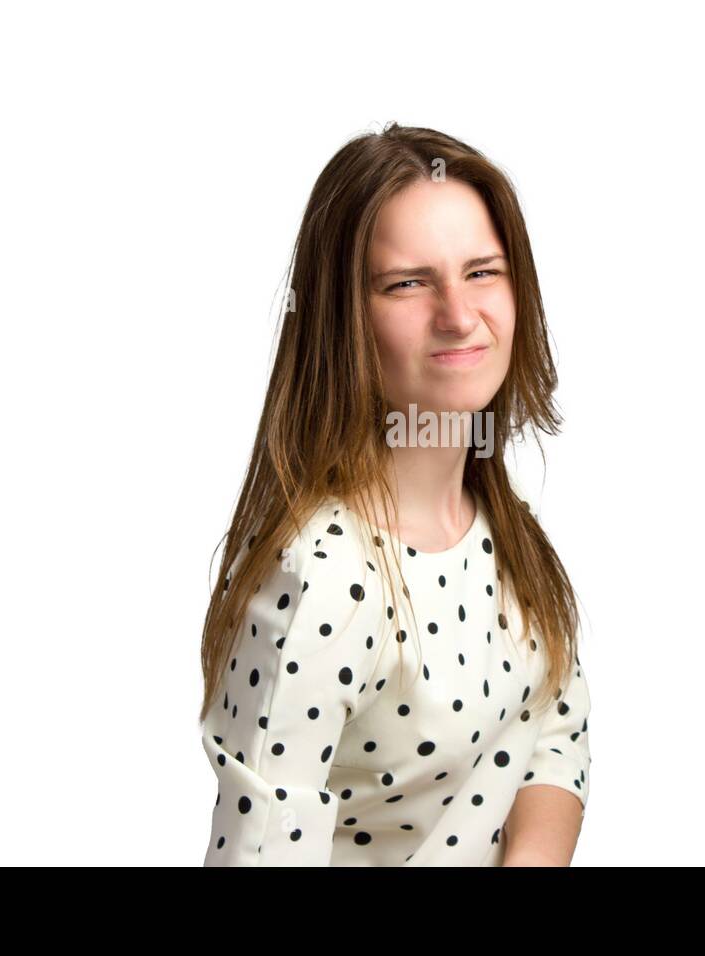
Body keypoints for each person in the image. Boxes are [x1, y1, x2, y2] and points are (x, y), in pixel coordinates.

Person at [199, 122, 592, 866]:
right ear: (342, 316)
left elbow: (554, 732)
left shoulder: (506, 526)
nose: (458, 314)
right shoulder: (318, 574)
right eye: (407, 283)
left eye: (483, 272)